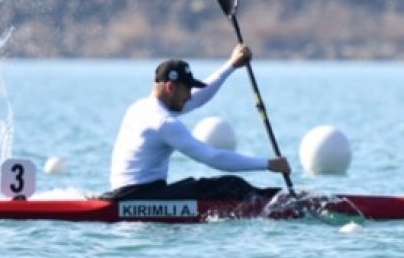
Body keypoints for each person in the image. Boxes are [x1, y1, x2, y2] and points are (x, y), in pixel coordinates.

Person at [105, 44, 291, 200]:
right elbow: (212, 157)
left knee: (214, 186)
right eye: (187, 90)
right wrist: (268, 164)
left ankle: (280, 199)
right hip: (141, 197)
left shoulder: (140, 108)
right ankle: (285, 204)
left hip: (125, 193)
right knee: (232, 186)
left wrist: (232, 65)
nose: (189, 97)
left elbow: (198, 97)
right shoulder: (164, 122)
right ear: (170, 87)